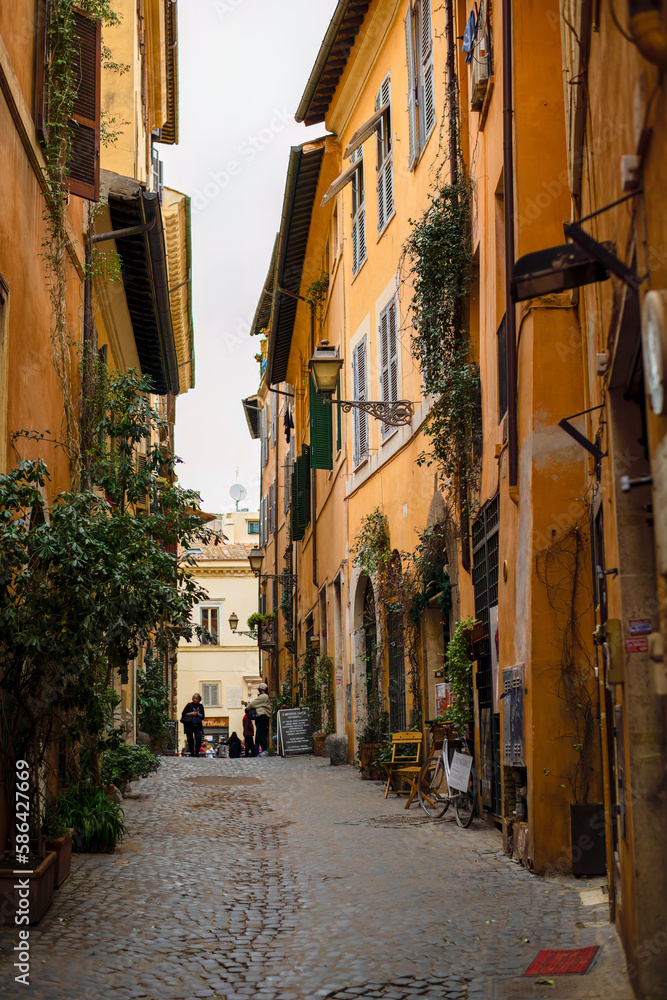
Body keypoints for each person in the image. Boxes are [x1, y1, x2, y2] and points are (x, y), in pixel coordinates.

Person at [242, 682, 272, 755]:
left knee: (261, 734)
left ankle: (264, 750)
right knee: (260, 734)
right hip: (263, 717)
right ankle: (263, 750)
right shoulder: (265, 697)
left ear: (261, 689)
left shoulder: (263, 696)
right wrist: (246, 704)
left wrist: (247, 706)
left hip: (262, 716)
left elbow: (253, 704)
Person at [181, 693, 205, 757]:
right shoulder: (189, 705)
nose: (195, 699)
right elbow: (183, 714)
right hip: (189, 724)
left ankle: (197, 752)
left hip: (197, 725)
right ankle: (192, 753)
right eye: (194, 698)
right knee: (190, 739)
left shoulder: (200, 706)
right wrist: (190, 714)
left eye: (196, 698)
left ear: (199, 699)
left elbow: (203, 716)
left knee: (198, 738)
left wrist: (198, 714)